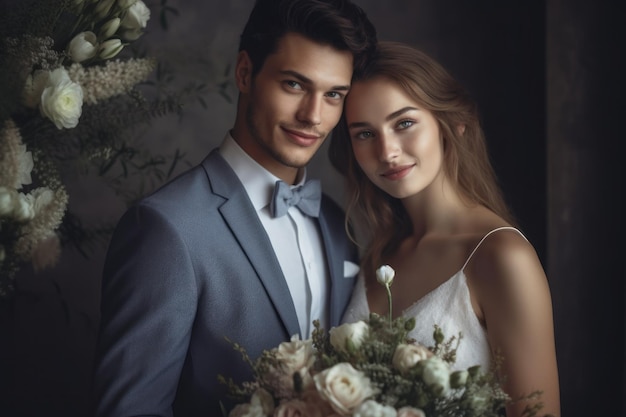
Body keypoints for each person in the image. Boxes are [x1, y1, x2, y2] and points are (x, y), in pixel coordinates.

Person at [91, 1, 377, 416]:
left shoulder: (337, 224)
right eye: (294, 85)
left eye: (333, 95)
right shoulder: (165, 228)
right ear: (245, 72)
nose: (313, 116)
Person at [331, 41, 560, 417]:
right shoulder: (380, 252)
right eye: (365, 133)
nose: (386, 151)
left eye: (404, 123)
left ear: (453, 122)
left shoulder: (501, 257)